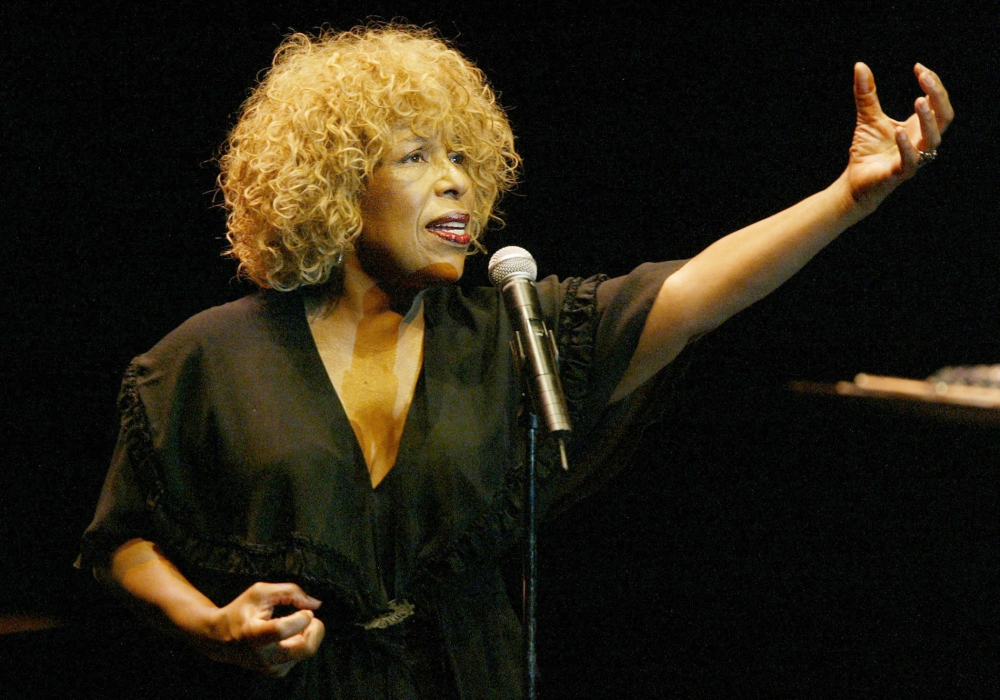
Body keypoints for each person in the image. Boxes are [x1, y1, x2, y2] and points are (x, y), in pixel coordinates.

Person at [79, 23, 953, 699]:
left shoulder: (505, 332)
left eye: (461, 157)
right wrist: (211, 624)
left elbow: (690, 295)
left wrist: (845, 200)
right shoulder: (207, 358)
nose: (455, 180)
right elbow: (123, 539)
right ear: (338, 187)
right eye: (417, 157)